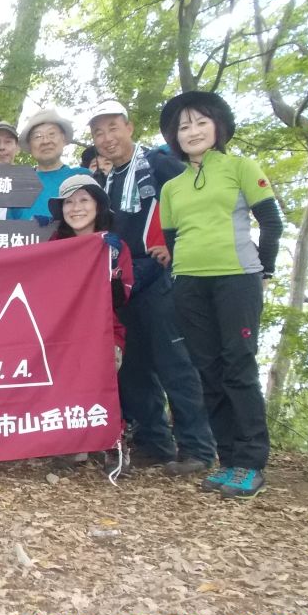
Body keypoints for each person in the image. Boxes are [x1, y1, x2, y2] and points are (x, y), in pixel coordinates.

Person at [159, 91, 283, 498]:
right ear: (174, 137)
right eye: (183, 126)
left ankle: (250, 462)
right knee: (207, 371)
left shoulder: (240, 166)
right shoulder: (173, 187)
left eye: (200, 122)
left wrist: (264, 270)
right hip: (190, 283)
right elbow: (174, 239)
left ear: (218, 125)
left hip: (237, 279)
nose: (192, 131)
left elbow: (271, 221)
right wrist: (183, 273)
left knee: (238, 367)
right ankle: (228, 460)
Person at [88, 99, 216, 475]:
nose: (107, 138)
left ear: (129, 127)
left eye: (113, 128)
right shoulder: (105, 180)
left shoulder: (160, 165)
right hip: (121, 281)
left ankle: (197, 448)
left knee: (174, 361)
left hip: (160, 277)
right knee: (133, 366)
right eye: (98, 132)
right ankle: (155, 444)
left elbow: (194, 204)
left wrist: (176, 248)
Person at [46, 174, 134, 474]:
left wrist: (108, 265)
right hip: (61, 336)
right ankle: (72, 445)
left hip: (104, 334)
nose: (76, 208)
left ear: (98, 206)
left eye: (84, 200)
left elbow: (121, 300)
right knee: (60, 382)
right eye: (69, 202)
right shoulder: (53, 245)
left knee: (102, 382)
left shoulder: (114, 246)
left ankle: (113, 443)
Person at [9, 109, 89, 222]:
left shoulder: (83, 177)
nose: (45, 141)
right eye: (37, 136)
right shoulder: (18, 186)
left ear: (63, 138)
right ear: (30, 145)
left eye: (52, 134)